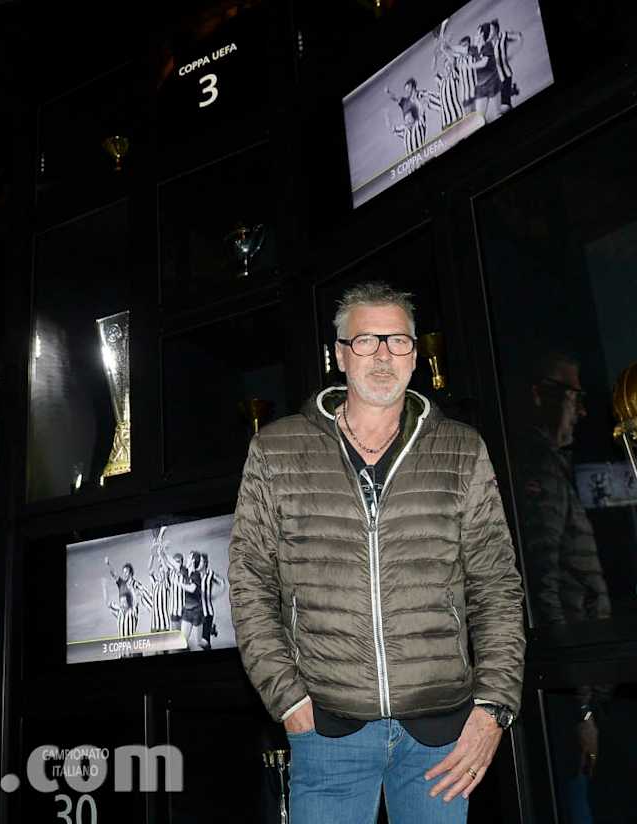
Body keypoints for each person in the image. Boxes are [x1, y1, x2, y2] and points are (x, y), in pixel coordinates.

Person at [229, 281, 525, 823]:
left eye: (399, 341)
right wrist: (290, 701)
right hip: (328, 728)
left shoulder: (460, 448)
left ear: (416, 354)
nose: (384, 355)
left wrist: (493, 709)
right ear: (340, 355)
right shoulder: (277, 448)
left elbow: (497, 584)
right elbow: (250, 582)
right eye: (366, 341)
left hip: (443, 737)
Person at [516, 352, 611, 823]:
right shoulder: (539, 471)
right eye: (575, 397)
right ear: (541, 395)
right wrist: (582, 711)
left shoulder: (550, 466)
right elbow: (544, 587)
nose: (582, 410)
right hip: (563, 693)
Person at [489, 19, 523, 115]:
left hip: (506, 74)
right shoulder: (490, 42)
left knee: (504, 106)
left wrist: (514, 32)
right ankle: (512, 91)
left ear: (496, 29)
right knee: (505, 104)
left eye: (491, 30)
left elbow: (519, 38)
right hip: (499, 78)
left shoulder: (503, 35)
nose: (490, 32)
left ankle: (512, 91)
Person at [198, 552, 226, 650]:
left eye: (200, 561)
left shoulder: (210, 574)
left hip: (207, 611)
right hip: (197, 612)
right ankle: (211, 628)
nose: (198, 563)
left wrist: (215, 595)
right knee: (203, 641)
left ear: (205, 562)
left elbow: (222, 583)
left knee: (204, 643)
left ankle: (210, 629)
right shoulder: (195, 574)